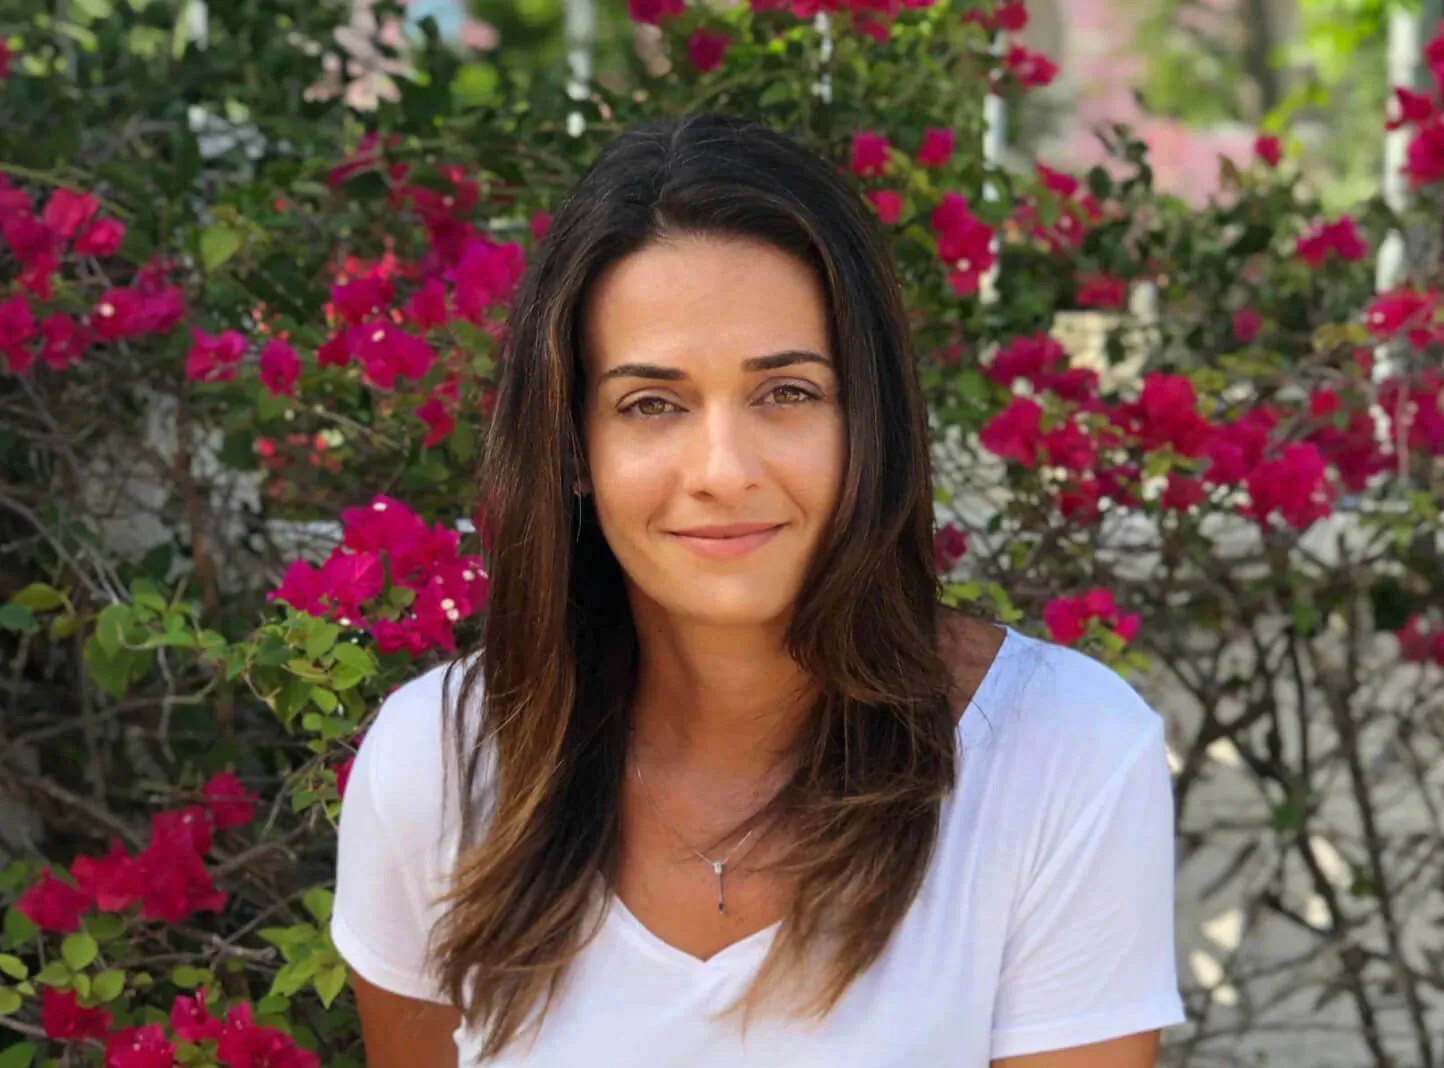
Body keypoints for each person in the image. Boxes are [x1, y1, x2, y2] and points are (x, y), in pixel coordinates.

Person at [331, 111, 1187, 1067]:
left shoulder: (1063, 755)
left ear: (869, 419)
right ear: (574, 446)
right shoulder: (437, 767)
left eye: (786, 392)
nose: (723, 470)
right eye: (650, 404)